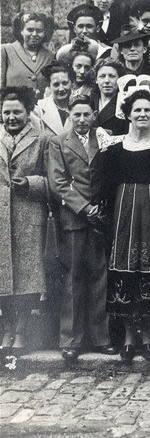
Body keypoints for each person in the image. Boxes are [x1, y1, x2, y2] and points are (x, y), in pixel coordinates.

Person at [99, 87, 150, 361]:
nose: (142, 114)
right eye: (137, 110)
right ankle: (129, 339)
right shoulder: (116, 149)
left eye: (147, 110)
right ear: (128, 115)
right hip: (124, 214)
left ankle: (148, 338)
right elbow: (107, 188)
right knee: (125, 270)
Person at [47, 95, 116, 361]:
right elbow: (58, 182)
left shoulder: (105, 138)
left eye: (87, 114)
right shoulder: (58, 142)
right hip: (75, 218)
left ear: (94, 114)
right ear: (69, 115)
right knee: (73, 277)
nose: (82, 120)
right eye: (76, 115)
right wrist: (85, 208)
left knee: (100, 277)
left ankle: (100, 338)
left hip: (101, 217)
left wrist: (101, 208)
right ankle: (71, 340)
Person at [0, 87, 49, 355]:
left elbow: (54, 179)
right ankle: (5, 330)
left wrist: (31, 183)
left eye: (17, 111)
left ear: (28, 112)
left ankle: (20, 332)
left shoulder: (41, 139)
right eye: (6, 112)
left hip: (28, 214)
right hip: (0, 217)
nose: (11, 117)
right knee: (3, 278)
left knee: (27, 278)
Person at [2, 12, 55, 96]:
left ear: (45, 33)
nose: (34, 34)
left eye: (39, 31)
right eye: (30, 30)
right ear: (21, 31)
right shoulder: (5, 51)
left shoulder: (50, 56)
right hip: (14, 107)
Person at [35, 62, 75, 137]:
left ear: (72, 83)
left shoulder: (79, 107)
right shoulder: (38, 108)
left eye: (65, 83)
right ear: (49, 86)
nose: (61, 89)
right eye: (56, 84)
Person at [94, 59, 129, 135]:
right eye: (102, 76)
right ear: (96, 80)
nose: (107, 81)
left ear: (119, 79)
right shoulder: (89, 102)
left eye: (112, 76)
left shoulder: (124, 104)